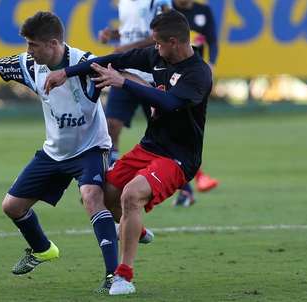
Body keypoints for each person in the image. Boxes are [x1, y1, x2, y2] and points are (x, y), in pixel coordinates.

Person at [0, 11, 119, 293]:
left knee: (91, 197)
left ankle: (115, 276)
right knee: (11, 207)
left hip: (90, 148)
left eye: (33, 45)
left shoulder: (85, 64)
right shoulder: (31, 65)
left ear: (52, 44)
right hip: (54, 152)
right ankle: (42, 249)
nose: (28, 51)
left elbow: (119, 73)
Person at [44, 9, 213, 295]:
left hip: (179, 158)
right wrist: (66, 72)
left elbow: (170, 103)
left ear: (175, 42)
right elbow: (115, 60)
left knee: (131, 195)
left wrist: (126, 83)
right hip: (150, 147)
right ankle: (138, 229)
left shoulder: (199, 74)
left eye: (158, 43)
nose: (154, 47)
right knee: (102, 193)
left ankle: (124, 276)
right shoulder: (157, 57)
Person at [98, 0, 171, 164]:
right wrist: (113, 34)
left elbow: (164, 33)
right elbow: (131, 31)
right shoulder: (124, 2)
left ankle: (183, 184)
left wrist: (128, 48)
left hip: (152, 75)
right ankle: (111, 169)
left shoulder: (158, 2)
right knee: (111, 124)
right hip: (126, 72)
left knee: (161, 132)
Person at [172, 0, 219, 206]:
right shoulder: (167, 9)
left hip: (195, 78)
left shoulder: (203, 11)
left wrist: (212, 63)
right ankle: (193, 178)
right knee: (175, 130)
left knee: (182, 128)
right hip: (171, 75)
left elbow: (213, 41)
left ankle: (190, 182)